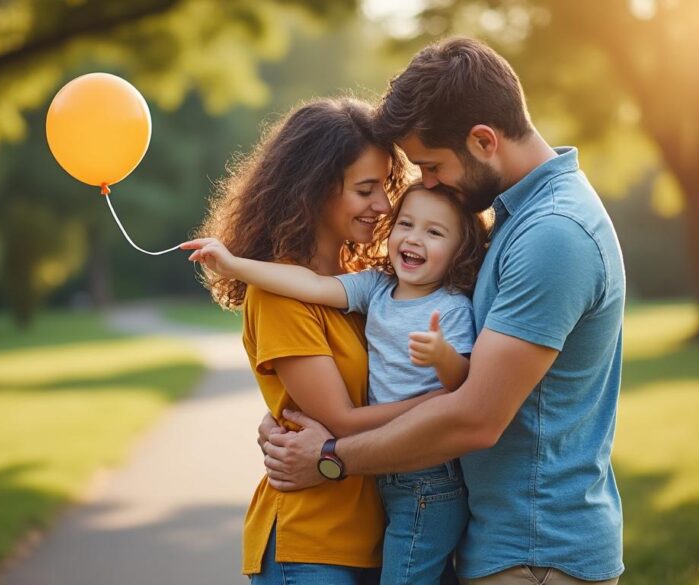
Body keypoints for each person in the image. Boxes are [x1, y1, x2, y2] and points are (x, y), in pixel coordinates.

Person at [257, 37, 627, 585]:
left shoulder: (552, 233)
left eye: (430, 166)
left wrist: (331, 456)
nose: (424, 185)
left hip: (536, 555)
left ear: (483, 140)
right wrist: (291, 414)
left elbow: (476, 416)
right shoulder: (517, 219)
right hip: (506, 545)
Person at [194, 97, 456, 584]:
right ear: (313, 191)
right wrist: (451, 404)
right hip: (313, 544)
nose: (382, 205)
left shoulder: (369, 282)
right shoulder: (279, 294)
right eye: (365, 189)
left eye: (386, 186)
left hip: (377, 533)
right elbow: (339, 419)